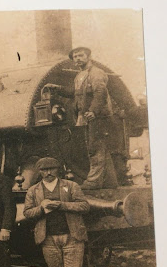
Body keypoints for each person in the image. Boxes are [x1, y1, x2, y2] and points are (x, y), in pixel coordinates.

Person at [23, 157, 90, 267]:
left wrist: (62, 205)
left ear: (58, 170)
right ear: (39, 172)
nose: (48, 173)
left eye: (52, 169)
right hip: (48, 238)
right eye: (44, 170)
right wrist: (42, 209)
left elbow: (84, 206)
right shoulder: (33, 190)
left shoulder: (71, 186)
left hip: (72, 236)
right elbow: (27, 213)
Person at [47, 47, 118, 190]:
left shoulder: (97, 73)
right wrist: (57, 88)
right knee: (100, 148)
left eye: (81, 55)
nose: (78, 58)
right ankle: (111, 182)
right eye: (75, 57)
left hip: (98, 118)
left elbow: (100, 92)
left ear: (89, 57)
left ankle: (93, 182)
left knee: (95, 148)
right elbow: (74, 92)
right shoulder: (79, 76)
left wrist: (93, 111)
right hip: (87, 117)